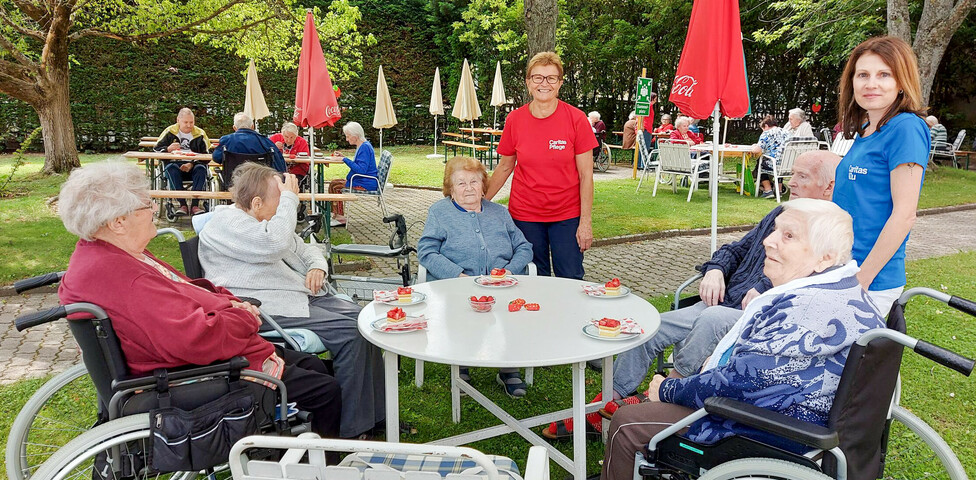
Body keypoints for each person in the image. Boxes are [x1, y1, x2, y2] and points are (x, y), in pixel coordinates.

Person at [544, 150, 840, 439]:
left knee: (711, 318)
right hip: (719, 302)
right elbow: (735, 249)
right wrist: (715, 270)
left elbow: (810, 284)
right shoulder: (781, 213)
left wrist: (764, 288)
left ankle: (665, 397)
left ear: (828, 186)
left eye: (802, 176)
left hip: (752, 319)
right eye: (793, 175)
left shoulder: (826, 232)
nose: (791, 183)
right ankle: (606, 402)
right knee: (647, 327)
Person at [601, 198, 885, 480]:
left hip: (770, 430)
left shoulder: (803, 310)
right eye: (774, 230)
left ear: (825, 257)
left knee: (628, 423)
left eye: (788, 236)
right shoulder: (844, 290)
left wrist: (667, 389)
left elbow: (739, 382)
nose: (769, 242)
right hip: (803, 414)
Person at [56, 161, 342, 439]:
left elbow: (181, 290)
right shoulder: (126, 277)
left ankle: (286, 450)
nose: (154, 209)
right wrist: (243, 316)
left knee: (312, 366)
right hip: (193, 373)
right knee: (324, 391)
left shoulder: (108, 255)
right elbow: (192, 339)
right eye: (146, 205)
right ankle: (319, 465)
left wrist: (224, 300)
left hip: (189, 355)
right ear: (118, 222)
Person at [197, 163, 385, 439]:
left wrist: (316, 266)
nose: (286, 207)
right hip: (268, 307)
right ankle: (352, 429)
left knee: (367, 320)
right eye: (280, 199)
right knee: (352, 334)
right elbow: (273, 244)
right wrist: (289, 200)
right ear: (258, 202)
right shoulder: (226, 224)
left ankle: (375, 416)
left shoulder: (266, 221)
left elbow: (305, 247)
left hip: (298, 297)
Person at [417, 156, 534, 397]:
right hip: (457, 286)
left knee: (511, 311)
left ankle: (508, 368)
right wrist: (456, 275)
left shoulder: (499, 212)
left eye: (474, 181)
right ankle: (462, 366)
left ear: (484, 186)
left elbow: (524, 247)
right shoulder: (440, 212)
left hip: (501, 285)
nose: (469, 188)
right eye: (461, 183)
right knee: (461, 309)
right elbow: (426, 251)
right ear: (450, 188)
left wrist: (509, 271)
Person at [833, 36, 930, 314]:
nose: (870, 84)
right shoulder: (866, 126)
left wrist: (862, 279)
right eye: (862, 74)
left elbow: (904, 214)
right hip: (840, 266)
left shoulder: (905, 128)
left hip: (869, 279)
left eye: (884, 74)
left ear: (901, 82)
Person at [486, 51, 597, 280]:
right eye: (537, 77)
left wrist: (585, 222)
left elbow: (586, 176)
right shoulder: (514, 120)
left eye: (551, 78)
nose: (544, 83)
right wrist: (478, 202)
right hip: (525, 216)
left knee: (570, 279)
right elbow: (505, 167)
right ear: (528, 82)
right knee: (532, 280)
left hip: (567, 216)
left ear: (560, 83)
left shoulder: (576, 119)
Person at [153, 108, 211, 216]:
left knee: (201, 169)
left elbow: (208, 154)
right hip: (175, 163)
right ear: (178, 120)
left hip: (194, 164)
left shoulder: (200, 134)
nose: (189, 125)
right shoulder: (169, 132)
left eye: (191, 122)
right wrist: (167, 149)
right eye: (186, 122)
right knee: (171, 169)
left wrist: (192, 163)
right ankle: (182, 204)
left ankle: (195, 205)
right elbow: (156, 149)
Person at [328, 121, 380, 227]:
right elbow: (360, 165)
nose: (347, 139)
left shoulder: (364, 148)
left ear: (355, 136)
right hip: (363, 180)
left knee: (335, 186)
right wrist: (344, 157)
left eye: (348, 136)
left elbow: (361, 170)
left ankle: (340, 218)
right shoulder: (363, 145)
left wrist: (345, 159)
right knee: (334, 183)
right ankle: (337, 215)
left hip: (365, 183)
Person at [212, 112, 287, 173]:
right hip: (259, 183)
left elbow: (216, 158)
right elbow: (279, 165)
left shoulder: (226, 140)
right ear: (252, 126)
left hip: (233, 182)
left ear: (234, 128)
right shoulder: (265, 142)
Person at [750, 115, 791, 198]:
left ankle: (768, 190)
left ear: (766, 126)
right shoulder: (787, 132)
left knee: (760, 163)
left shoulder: (766, 133)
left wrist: (753, 146)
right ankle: (778, 190)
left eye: (763, 129)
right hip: (787, 164)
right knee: (781, 163)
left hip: (773, 164)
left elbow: (756, 150)